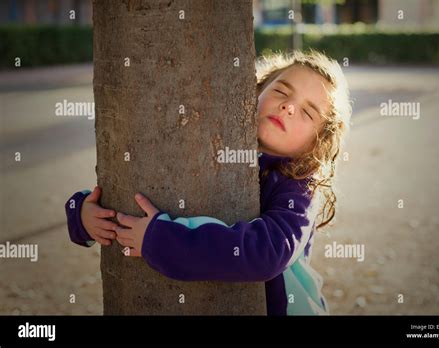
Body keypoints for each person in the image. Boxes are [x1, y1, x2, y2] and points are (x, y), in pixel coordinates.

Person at [65, 49, 352, 315]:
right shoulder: (213, 143)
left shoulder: (300, 185)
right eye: (280, 91)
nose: (289, 106)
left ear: (319, 141)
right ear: (257, 89)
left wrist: (162, 241)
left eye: (307, 112)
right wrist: (84, 214)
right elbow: (135, 196)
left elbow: (267, 251)